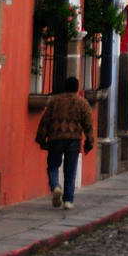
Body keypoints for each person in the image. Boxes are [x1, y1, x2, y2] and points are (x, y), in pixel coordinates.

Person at [34, 76, 94, 209]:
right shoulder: (82, 103)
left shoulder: (54, 102)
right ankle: (68, 200)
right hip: (74, 139)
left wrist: (41, 138)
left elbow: (45, 120)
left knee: (53, 166)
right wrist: (89, 142)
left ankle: (55, 186)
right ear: (77, 88)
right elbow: (88, 124)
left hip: (55, 138)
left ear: (65, 87)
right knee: (70, 170)